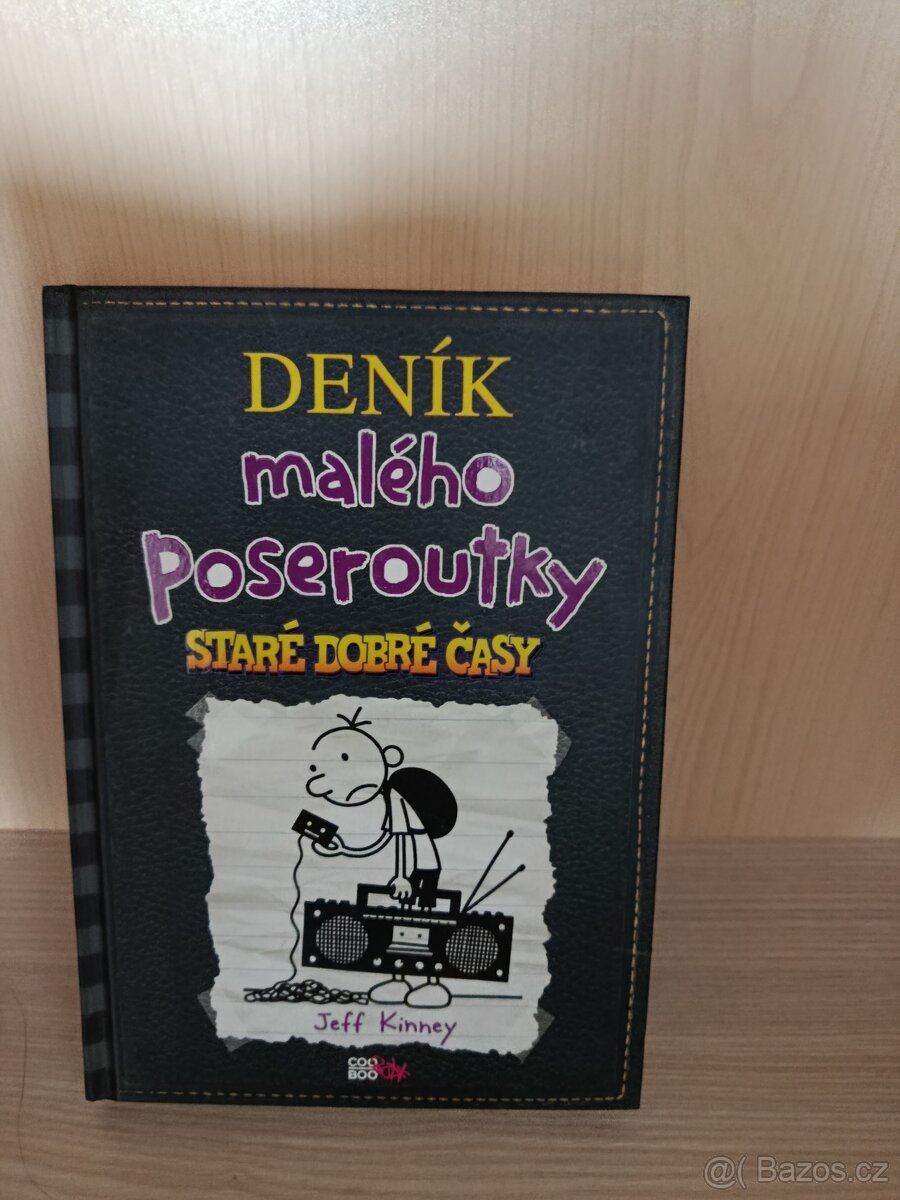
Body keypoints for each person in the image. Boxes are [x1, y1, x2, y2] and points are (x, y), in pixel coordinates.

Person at [306, 707, 457, 1007]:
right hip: (418, 868)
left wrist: (402, 876)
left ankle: (431, 983)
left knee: (423, 924)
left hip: (423, 869)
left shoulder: (398, 795)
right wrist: (343, 848)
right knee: (400, 923)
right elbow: (385, 840)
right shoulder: (391, 797)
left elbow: (404, 840)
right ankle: (399, 978)